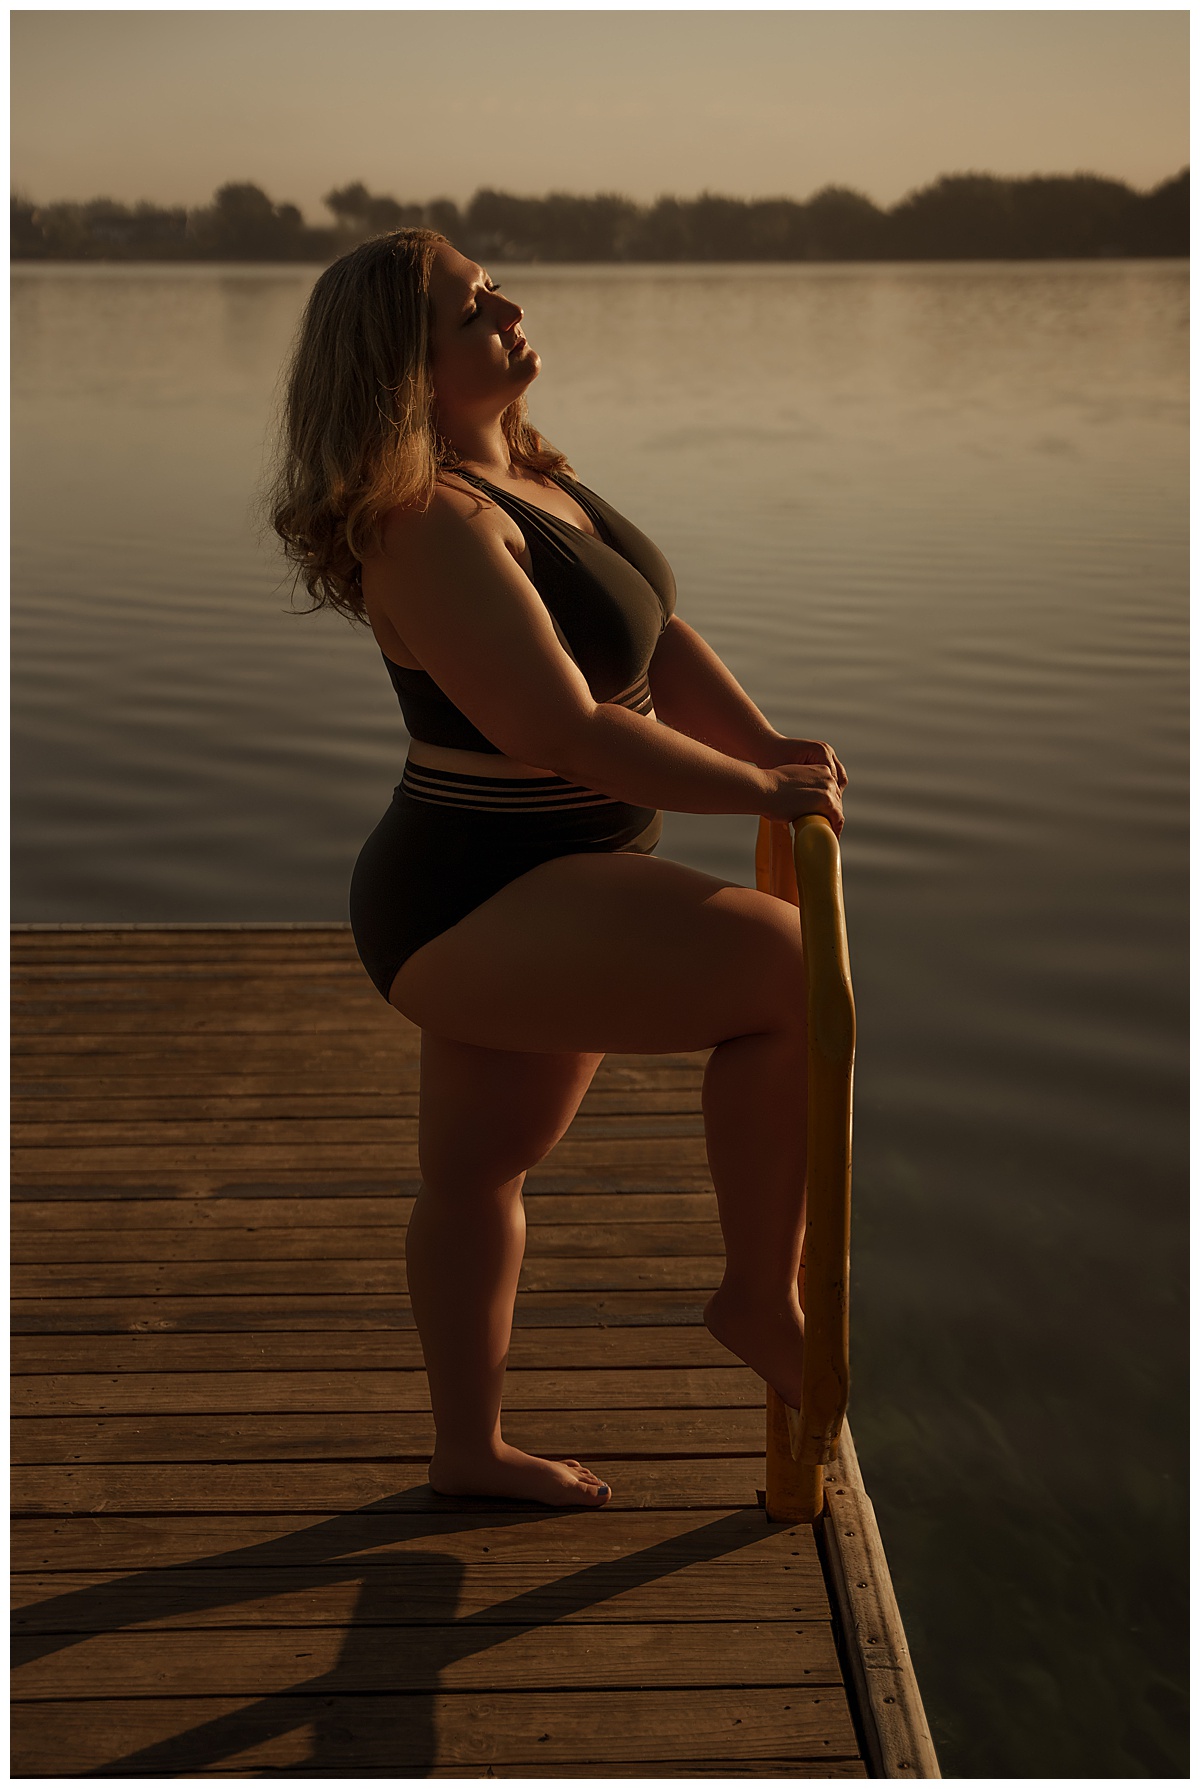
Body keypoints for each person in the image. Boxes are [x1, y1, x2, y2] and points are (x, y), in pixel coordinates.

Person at [271, 230, 846, 1509]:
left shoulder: (527, 472)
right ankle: (758, 1293)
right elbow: (567, 731)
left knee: (476, 1175)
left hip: (557, 865)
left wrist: (757, 739)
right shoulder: (425, 527)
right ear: (405, 373)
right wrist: (760, 793)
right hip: (473, 897)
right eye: (473, 309)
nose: (512, 308)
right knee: (788, 970)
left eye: (493, 291)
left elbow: (650, 631)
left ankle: (466, 1452)